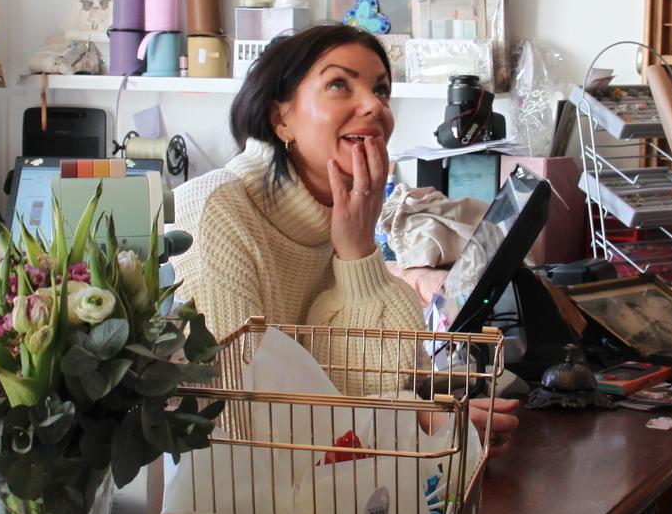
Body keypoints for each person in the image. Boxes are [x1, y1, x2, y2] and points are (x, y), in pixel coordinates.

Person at [173, 24, 519, 453]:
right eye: (339, 84)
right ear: (280, 117)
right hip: (233, 501)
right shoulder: (213, 212)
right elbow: (237, 422)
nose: (374, 105)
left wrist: (357, 251)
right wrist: (415, 420)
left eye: (382, 90)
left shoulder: (340, 217)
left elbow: (353, 376)